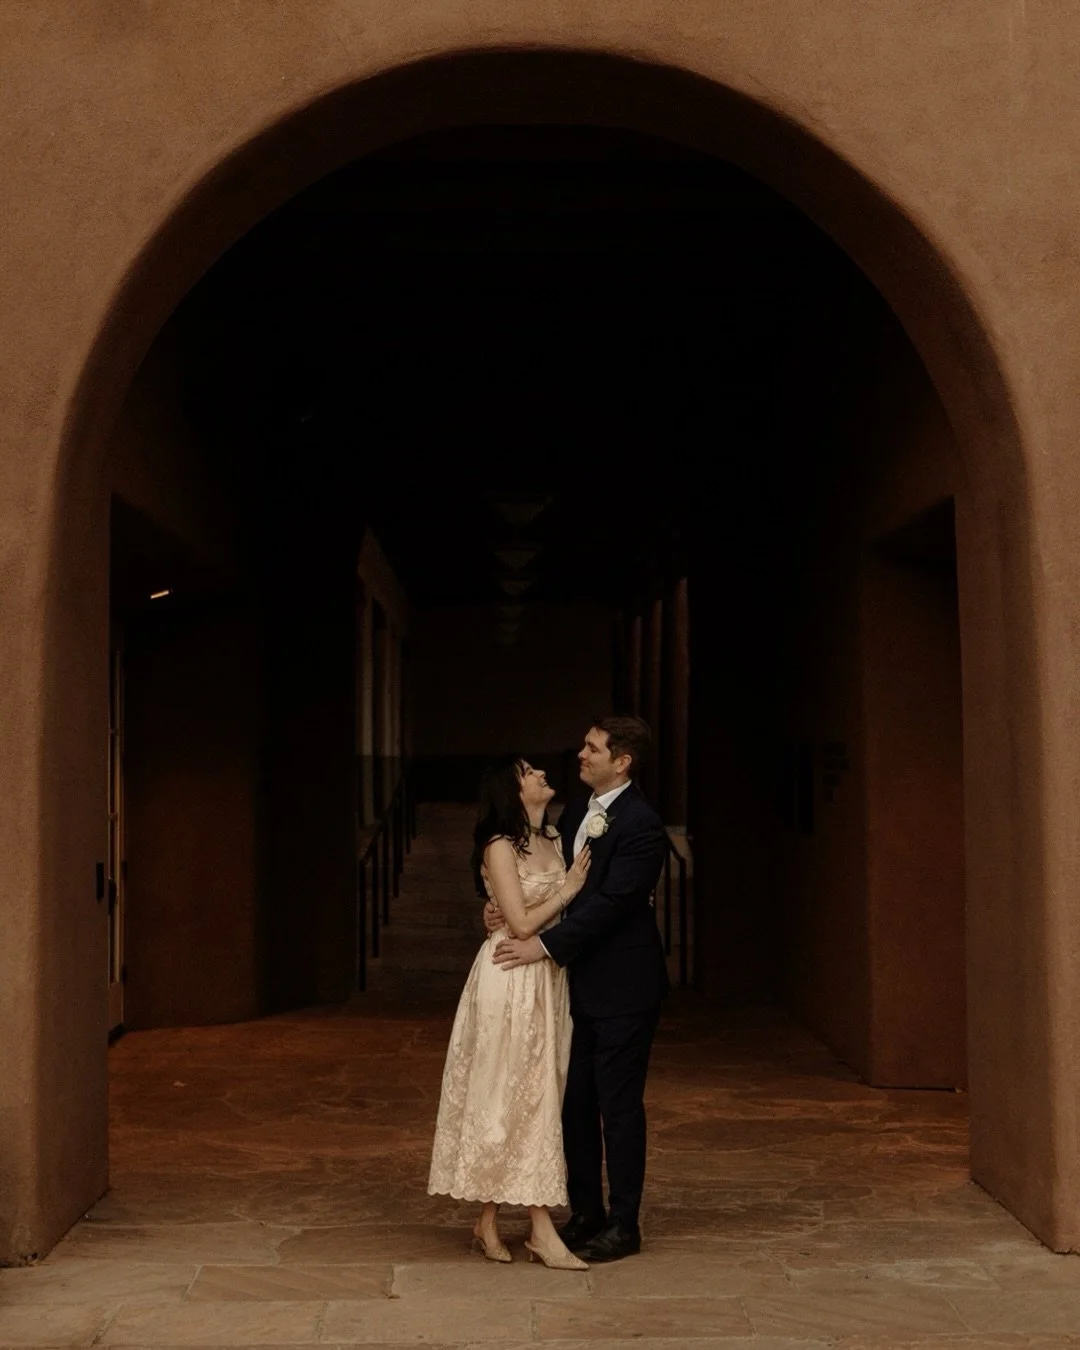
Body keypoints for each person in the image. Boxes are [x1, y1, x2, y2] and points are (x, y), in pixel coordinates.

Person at [490, 716, 668, 1263]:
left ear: (623, 762)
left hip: (623, 985)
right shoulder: (575, 816)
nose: (581, 755)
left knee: (618, 1107)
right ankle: (586, 1212)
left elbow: (612, 905)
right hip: (576, 988)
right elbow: (548, 882)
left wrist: (542, 946)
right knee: (575, 1105)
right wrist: (503, 909)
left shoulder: (642, 825)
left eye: (593, 749)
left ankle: (624, 1223)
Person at [427, 755, 593, 1269]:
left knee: (535, 1094)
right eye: (529, 772)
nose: (542, 774)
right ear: (512, 790)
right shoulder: (500, 844)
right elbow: (519, 925)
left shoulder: (554, 839)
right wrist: (566, 891)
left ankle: (489, 1219)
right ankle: (539, 1229)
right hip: (509, 977)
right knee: (509, 1093)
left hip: (548, 979)